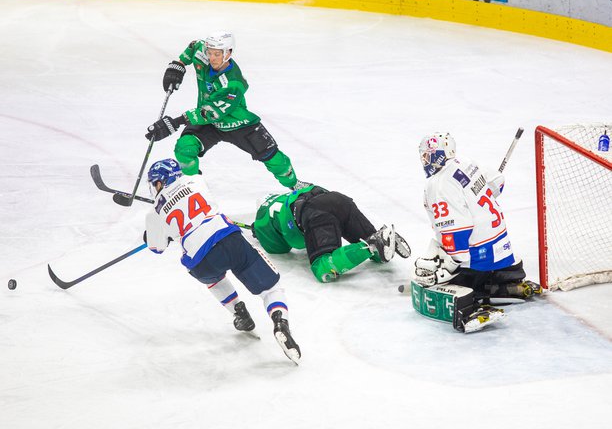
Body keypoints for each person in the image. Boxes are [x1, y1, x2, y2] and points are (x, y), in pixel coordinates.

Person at [144, 158, 301, 364]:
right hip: (228, 239)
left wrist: (156, 234)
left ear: (159, 183)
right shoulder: (195, 180)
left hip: (201, 261)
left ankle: (239, 313)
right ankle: (280, 323)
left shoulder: (154, 212)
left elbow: (157, 248)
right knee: (271, 288)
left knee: (213, 278)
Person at [411, 132, 542, 333]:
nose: (425, 161)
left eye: (428, 155)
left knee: (437, 278)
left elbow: (458, 233)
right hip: (503, 251)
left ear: (440, 154)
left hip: (479, 257)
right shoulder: (465, 162)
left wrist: (448, 270)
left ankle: (472, 300)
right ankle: (507, 281)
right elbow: (498, 181)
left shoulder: (437, 185)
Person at [144, 31, 307, 190]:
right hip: (210, 124)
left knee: (272, 156)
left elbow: (209, 113)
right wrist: (178, 65)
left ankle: (295, 186)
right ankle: (195, 189)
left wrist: (175, 122)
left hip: (236, 123)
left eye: (217, 54)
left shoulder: (233, 84)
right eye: (210, 53)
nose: (212, 58)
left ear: (228, 53)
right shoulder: (204, 52)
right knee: (184, 148)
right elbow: (194, 46)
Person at [251, 185, 411, 283]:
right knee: (372, 240)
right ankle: (378, 241)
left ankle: (370, 247)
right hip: (339, 200)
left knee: (322, 268)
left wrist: (259, 232)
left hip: (315, 212)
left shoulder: (262, 217)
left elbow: (282, 248)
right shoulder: (287, 196)